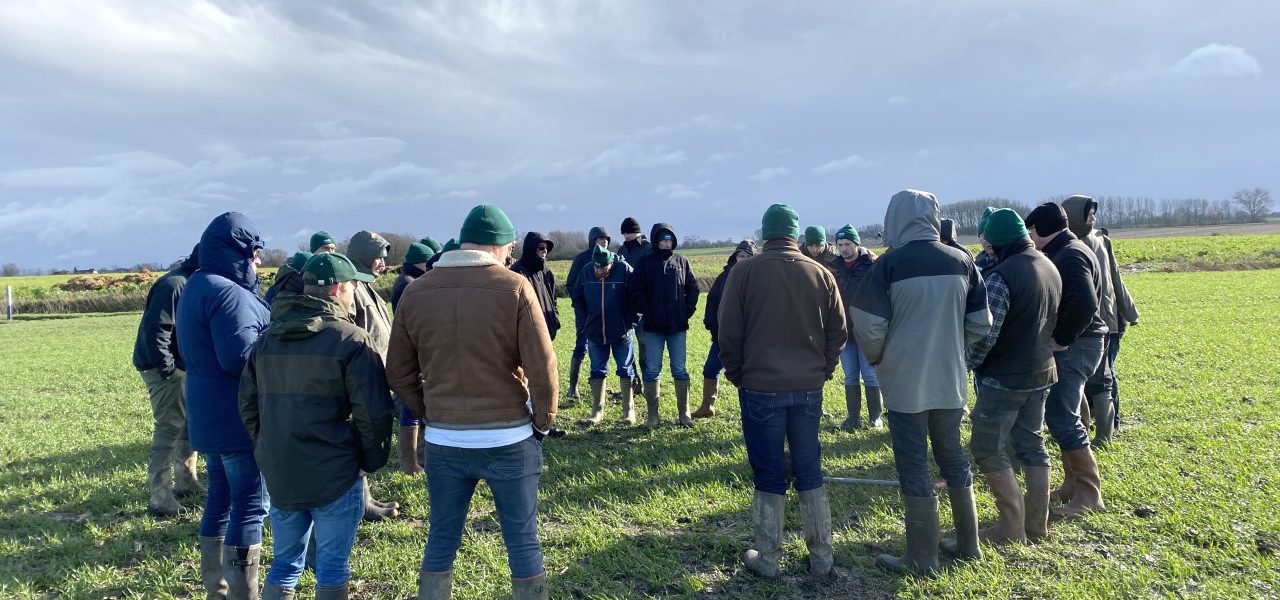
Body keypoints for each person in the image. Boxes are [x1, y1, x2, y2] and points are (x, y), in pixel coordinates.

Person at [387, 204, 558, 600]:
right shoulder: (515, 286)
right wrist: (543, 422)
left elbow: (398, 371)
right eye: (510, 249)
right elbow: (543, 366)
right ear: (501, 246)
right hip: (510, 436)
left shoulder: (416, 291)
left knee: (441, 537)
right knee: (522, 540)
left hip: (446, 440)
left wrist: (430, 413)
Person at [240, 252, 396, 600]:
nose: (355, 294)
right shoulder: (353, 341)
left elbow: (248, 407)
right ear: (339, 288)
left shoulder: (266, 340)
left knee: (284, 564)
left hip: (281, 472)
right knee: (332, 568)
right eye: (354, 287)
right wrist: (368, 461)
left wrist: (269, 448)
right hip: (336, 474)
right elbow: (375, 414)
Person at [850, 190, 991, 574]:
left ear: (893, 218)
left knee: (913, 465)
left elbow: (868, 324)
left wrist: (881, 357)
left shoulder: (888, 265)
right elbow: (982, 323)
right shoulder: (963, 260)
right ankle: (968, 544)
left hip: (905, 383)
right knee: (953, 458)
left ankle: (920, 557)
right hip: (950, 381)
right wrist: (952, 345)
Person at [718, 204, 845, 579]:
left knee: (768, 472)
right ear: (796, 234)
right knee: (809, 469)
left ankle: (769, 558)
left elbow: (728, 333)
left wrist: (740, 374)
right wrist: (823, 370)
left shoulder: (743, 273)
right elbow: (838, 332)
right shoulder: (821, 273)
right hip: (808, 388)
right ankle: (822, 557)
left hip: (760, 388)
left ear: (765, 233)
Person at [949, 209, 1062, 550]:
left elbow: (987, 334)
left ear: (998, 241)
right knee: (1032, 443)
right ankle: (1036, 523)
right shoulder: (1048, 265)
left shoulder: (1001, 276)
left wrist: (968, 364)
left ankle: (1010, 528)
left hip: (1006, 378)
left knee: (986, 447)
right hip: (1043, 371)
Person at [176, 212, 271, 600]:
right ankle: (241, 592)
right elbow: (240, 358)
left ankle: (215, 587)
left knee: (220, 496)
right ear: (238, 252)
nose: (259, 261)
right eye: (254, 252)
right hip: (237, 416)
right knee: (250, 502)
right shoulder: (228, 293)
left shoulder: (197, 284)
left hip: (206, 410)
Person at [1023, 202, 1108, 519]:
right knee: (1068, 411)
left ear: (1041, 229)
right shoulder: (1071, 248)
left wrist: (1061, 339)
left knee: (1061, 415)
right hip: (1082, 343)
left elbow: (1084, 302)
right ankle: (1072, 485)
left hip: (1078, 345)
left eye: (1032, 231)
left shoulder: (1070, 254)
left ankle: (1089, 492)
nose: (1031, 238)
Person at [1060, 196, 1139, 445]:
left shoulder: (1101, 240)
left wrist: (1129, 311)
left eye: (1094, 213)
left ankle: (1108, 429)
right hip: (1080, 322)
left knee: (1103, 376)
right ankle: (1084, 425)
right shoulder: (1065, 245)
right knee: (1082, 377)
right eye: (1089, 214)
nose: (1093, 218)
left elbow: (1115, 277)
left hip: (1107, 320)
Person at [133, 244, 204, 518]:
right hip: (163, 369)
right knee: (169, 427)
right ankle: (160, 497)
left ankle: (187, 480)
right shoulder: (175, 284)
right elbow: (158, 330)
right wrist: (169, 370)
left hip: (179, 366)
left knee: (188, 424)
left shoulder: (188, 281)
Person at [344, 230, 401, 521]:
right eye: (379, 257)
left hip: (376, 375)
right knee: (358, 440)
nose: (383, 264)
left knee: (365, 440)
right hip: (361, 377)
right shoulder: (351, 289)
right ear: (365, 256)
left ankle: (366, 498)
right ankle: (359, 504)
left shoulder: (367, 286)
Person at [629, 223, 699, 427]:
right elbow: (635, 290)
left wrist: (686, 311)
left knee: (680, 369)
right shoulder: (645, 263)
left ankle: (684, 413)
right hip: (652, 328)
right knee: (651, 370)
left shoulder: (682, 261)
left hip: (677, 327)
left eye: (669, 239)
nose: (666, 242)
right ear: (655, 240)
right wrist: (648, 311)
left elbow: (692, 289)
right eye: (662, 239)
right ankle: (653, 416)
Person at [571, 245, 638, 426]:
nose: (600, 272)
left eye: (604, 268)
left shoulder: (624, 270)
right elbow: (577, 298)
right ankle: (597, 411)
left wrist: (630, 321)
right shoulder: (586, 272)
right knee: (597, 370)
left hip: (621, 332)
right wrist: (584, 321)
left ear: (611, 263)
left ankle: (628, 411)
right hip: (595, 332)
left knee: (625, 370)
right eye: (597, 268)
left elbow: (637, 296)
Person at [826, 224, 881, 430]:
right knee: (850, 374)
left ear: (856, 244)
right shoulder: (833, 267)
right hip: (844, 329)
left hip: (866, 328)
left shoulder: (872, 264)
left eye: (847, 244)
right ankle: (853, 418)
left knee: (869, 374)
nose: (843, 249)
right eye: (840, 244)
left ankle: (875, 418)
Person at [697, 240, 756, 419]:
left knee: (747, 375)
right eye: (740, 256)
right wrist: (712, 325)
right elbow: (712, 302)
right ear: (735, 256)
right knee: (710, 369)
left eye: (747, 256)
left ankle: (748, 409)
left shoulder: (757, 278)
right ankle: (708, 406)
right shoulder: (724, 277)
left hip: (749, 338)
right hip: (722, 336)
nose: (742, 259)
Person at [391, 242, 435, 475]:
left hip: (412, 348)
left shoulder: (407, 281)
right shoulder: (409, 284)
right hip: (413, 350)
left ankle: (418, 456)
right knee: (411, 408)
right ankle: (412, 460)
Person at [564, 227, 612, 400]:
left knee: (602, 348)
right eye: (600, 239)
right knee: (581, 346)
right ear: (593, 240)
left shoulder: (612, 258)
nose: (604, 241)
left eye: (606, 239)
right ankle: (572, 386)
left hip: (607, 314)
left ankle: (598, 387)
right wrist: (580, 305)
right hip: (585, 313)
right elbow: (571, 284)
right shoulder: (582, 259)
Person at [511, 232, 561, 341]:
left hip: (547, 335)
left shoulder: (547, 273)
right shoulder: (517, 273)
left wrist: (555, 320)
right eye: (541, 248)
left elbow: (553, 300)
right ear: (531, 249)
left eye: (546, 248)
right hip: (528, 339)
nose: (545, 251)